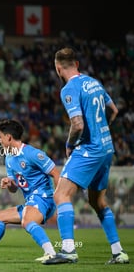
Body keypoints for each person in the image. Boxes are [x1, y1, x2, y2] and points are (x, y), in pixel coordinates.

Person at [43, 47, 129, 265]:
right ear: (77, 64)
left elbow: (78, 124)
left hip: (89, 148)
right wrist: (102, 128)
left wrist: (70, 143)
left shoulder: (68, 89)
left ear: (57, 68)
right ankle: (118, 252)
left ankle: (69, 250)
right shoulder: (95, 82)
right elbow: (115, 110)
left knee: (61, 195)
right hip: (107, 147)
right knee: (97, 201)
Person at [0, 119, 59, 262]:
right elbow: (14, 189)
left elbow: (56, 174)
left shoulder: (32, 154)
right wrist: (10, 183)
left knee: (27, 221)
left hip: (44, 198)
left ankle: (51, 253)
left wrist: (59, 202)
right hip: (31, 201)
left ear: (8, 137)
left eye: (0, 137)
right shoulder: (9, 158)